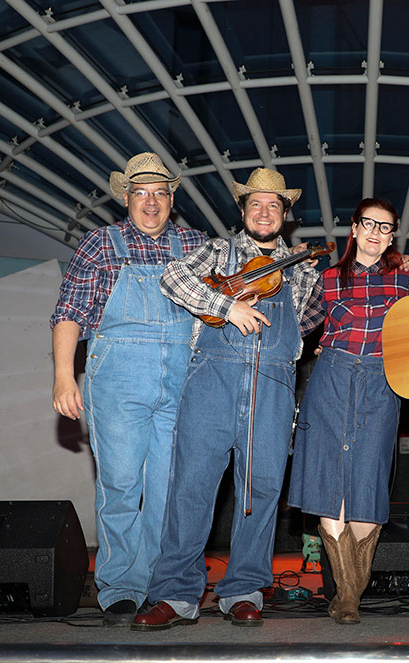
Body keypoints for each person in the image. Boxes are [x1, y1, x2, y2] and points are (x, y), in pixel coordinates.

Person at [132, 167, 323, 631]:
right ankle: (175, 594)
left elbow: (307, 325)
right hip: (212, 380)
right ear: (242, 210)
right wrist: (226, 306)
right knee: (191, 488)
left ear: (285, 215)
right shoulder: (218, 251)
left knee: (260, 492)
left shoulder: (301, 269)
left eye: (273, 205)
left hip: (274, 386)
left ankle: (243, 589)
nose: (264, 211)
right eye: (255, 204)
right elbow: (172, 278)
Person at [50, 152, 205, 626]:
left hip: (182, 378)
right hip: (117, 375)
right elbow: (70, 312)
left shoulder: (197, 245)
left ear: (172, 199)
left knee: (167, 490)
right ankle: (119, 586)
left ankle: (158, 582)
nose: (151, 202)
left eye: (160, 193)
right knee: (120, 485)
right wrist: (62, 376)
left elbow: (236, 289)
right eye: (141, 193)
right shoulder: (101, 243)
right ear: (126, 198)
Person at [287, 198, 409, 625]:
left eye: (386, 227)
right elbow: (298, 327)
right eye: (369, 224)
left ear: (393, 235)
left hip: (381, 382)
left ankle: (349, 592)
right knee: (327, 481)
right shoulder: (327, 279)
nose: (377, 232)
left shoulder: (405, 282)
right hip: (331, 378)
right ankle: (347, 596)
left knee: (367, 481)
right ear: (354, 228)